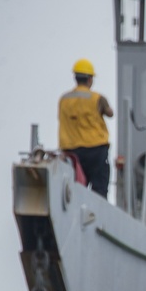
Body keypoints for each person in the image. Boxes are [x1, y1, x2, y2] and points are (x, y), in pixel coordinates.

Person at [58, 58, 114, 198]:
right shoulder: (97, 98)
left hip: (72, 152)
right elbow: (110, 113)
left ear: (76, 78)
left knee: (75, 191)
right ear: (90, 79)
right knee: (99, 191)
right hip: (96, 150)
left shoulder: (64, 99)